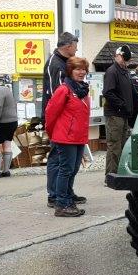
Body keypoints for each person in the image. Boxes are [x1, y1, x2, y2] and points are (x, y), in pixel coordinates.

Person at [45, 56, 91, 218]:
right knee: (65, 170)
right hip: (65, 137)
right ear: (70, 71)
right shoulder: (64, 89)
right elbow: (50, 113)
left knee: (73, 169)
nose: (81, 72)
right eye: (77, 69)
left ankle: (68, 198)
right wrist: (53, 134)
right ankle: (62, 204)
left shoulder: (82, 89)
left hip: (78, 137)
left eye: (83, 69)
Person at [43, 31, 78, 208]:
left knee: (66, 159)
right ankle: (54, 195)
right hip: (57, 118)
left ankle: (65, 192)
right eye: (75, 45)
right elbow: (55, 95)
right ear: (67, 46)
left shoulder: (65, 62)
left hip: (67, 118)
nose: (77, 48)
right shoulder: (55, 64)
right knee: (57, 157)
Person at [103, 46, 137, 176]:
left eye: (127, 59)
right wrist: (122, 105)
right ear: (118, 55)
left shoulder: (125, 72)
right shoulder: (112, 71)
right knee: (114, 147)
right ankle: (110, 175)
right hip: (115, 115)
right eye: (124, 58)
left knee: (122, 146)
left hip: (124, 114)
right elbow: (108, 92)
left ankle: (120, 173)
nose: (126, 61)